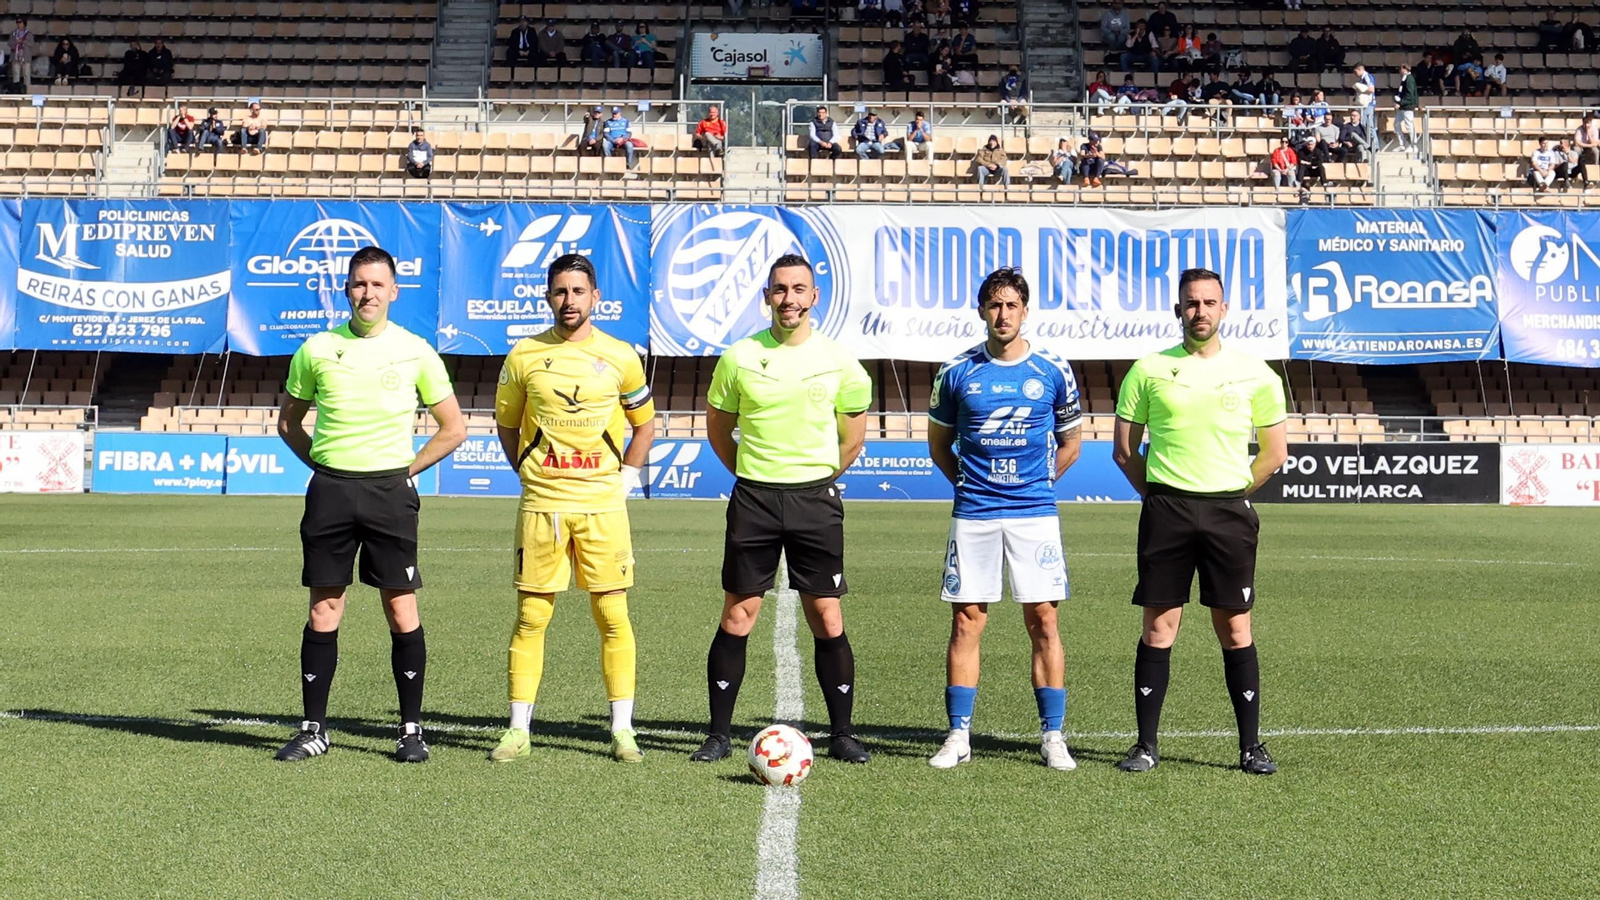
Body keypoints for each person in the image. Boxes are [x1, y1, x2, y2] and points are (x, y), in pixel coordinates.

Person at [272, 246, 467, 764]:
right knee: (324, 607)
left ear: (394, 291)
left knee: (401, 609)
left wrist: (405, 471)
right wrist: (323, 466)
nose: (368, 294)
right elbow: (288, 422)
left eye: (378, 285)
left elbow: (454, 428)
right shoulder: (316, 349)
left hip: (389, 493)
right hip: (331, 490)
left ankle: (410, 731)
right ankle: (314, 729)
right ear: (346, 289)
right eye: (359, 284)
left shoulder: (416, 351)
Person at [688, 254, 873, 766]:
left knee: (826, 615)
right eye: (779, 289)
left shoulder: (840, 361)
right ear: (767, 296)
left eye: (798, 289)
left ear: (815, 297)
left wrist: (811, 480)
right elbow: (720, 431)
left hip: (815, 499)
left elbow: (852, 440)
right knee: (739, 612)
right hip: (754, 499)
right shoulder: (739, 357)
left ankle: (842, 734)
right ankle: (719, 734)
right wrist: (756, 476)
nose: (789, 298)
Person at [1111, 267, 1289, 777]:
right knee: (1159, 626)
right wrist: (1162, 494)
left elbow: (1274, 453)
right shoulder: (1147, 369)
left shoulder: (1256, 373)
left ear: (1225, 309)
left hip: (1228, 512)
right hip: (1167, 509)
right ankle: (1146, 745)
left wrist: (1231, 493)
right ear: (1178, 310)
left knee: (1235, 627)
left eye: (1210, 303)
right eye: (1192, 303)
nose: (1200, 311)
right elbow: (1124, 451)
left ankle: (1250, 747)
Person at [486, 253, 656, 766]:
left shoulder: (622, 356)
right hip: (543, 505)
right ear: (547, 296)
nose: (569, 301)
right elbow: (507, 425)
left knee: (612, 614)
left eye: (578, 292)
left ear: (595, 296)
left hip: (603, 506)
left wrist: (627, 476)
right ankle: (518, 729)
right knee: (532, 616)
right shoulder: (524, 355)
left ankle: (622, 730)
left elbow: (645, 424)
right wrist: (529, 473)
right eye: (560, 292)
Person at [924, 277, 1085, 772]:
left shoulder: (1053, 369)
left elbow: (1071, 443)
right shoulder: (956, 372)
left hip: (1034, 515)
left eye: (1011, 305)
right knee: (967, 620)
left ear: (1026, 310)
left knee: (1044, 620)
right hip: (974, 513)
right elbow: (938, 446)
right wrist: (973, 486)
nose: (1003, 314)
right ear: (980, 310)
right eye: (994, 305)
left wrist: (1036, 485)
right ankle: (958, 734)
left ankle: (1053, 735)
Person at [601, 106, 637, 170]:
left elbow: (629, 133)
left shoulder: (626, 121)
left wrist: (622, 139)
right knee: (605, 145)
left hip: (623, 140)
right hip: (612, 141)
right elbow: (606, 134)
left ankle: (628, 164)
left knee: (630, 145)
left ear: (619, 113)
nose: (614, 115)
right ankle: (610, 163)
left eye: (616, 113)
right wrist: (613, 140)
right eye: (613, 113)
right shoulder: (608, 122)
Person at [1394, 63, 1419, 153]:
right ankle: (1402, 144)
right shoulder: (1405, 78)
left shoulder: (1409, 79)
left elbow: (1409, 95)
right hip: (1403, 107)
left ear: (1404, 69)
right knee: (1396, 124)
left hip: (1407, 106)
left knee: (1409, 125)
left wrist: (1400, 103)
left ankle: (1413, 145)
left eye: (1401, 69)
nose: (1399, 71)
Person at [1351, 63, 1375, 142]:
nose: (1355, 74)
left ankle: (1374, 145)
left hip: (1368, 104)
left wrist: (1361, 92)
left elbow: (1371, 90)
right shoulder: (1362, 78)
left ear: (1360, 69)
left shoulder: (1367, 77)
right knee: (1364, 124)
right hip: (1364, 104)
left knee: (1368, 125)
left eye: (1355, 72)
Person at [1573, 112, 1598, 186]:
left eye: (1588, 123)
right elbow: (1577, 142)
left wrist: (1589, 134)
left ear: (1590, 123)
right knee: (1576, 149)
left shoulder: (1594, 129)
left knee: (1595, 150)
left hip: (1589, 147)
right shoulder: (1579, 129)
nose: (1586, 125)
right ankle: (1577, 165)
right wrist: (1588, 145)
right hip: (1581, 147)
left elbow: (1595, 143)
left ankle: (1595, 165)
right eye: (1585, 123)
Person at [8, 18, 32, 90]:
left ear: (24, 23)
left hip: (25, 56)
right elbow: (9, 43)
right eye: (17, 22)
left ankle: (27, 90)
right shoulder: (13, 33)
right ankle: (16, 90)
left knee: (26, 74)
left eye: (20, 22)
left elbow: (31, 43)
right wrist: (16, 42)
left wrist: (22, 41)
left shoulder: (29, 33)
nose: (18, 24)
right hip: (15, 56)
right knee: (16, 74)